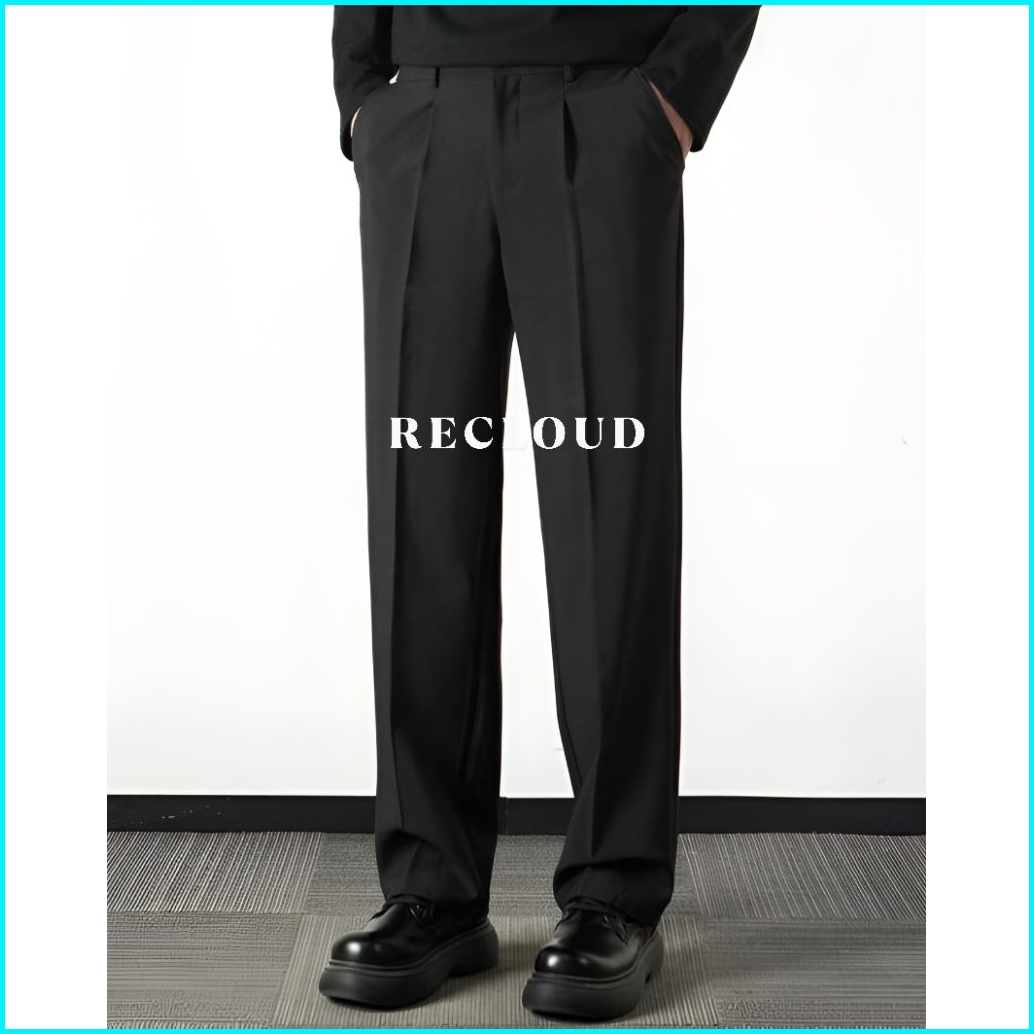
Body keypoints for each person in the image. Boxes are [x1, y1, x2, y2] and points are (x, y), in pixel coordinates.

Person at [319, 5, 760, 1021]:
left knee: (609, 515)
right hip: (421, 116)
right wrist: (361, 94)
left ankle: (614, 891)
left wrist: (673, 95)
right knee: (422, 515)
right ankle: (430, 888)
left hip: (603, 109)